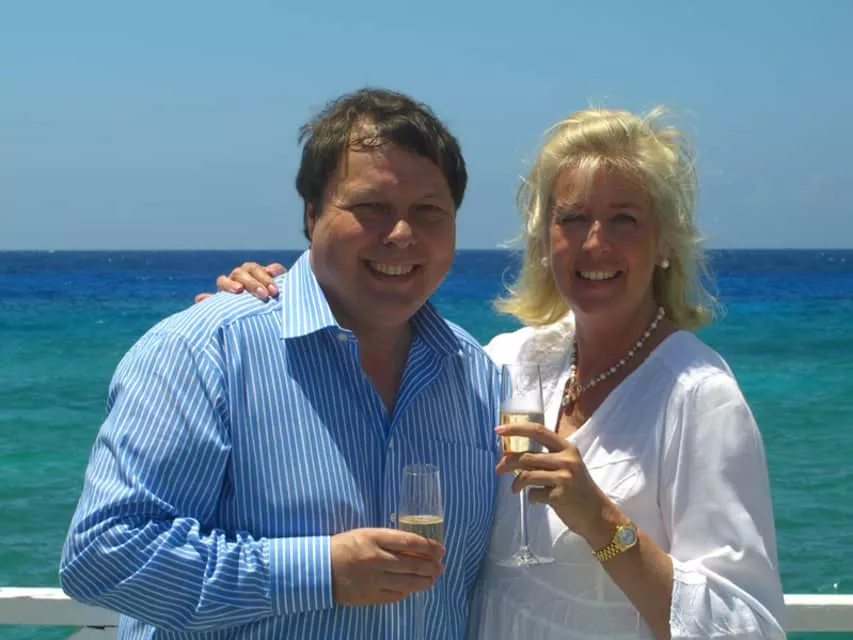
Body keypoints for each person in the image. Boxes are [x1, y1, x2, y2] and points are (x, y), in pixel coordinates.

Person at [208, 107, 786, 638]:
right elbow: (381, 354)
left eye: (624, 220)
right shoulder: (510, 362)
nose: (595, 243)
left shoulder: (698, 397)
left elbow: (747, 624)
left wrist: (602, 523)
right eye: (573, 218)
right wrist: (274, 301)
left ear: (664, 242)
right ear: (545, 239)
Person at [59, 88, 502, 639]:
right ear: (313, 215)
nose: (401, 234)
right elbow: (102, 557)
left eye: (428, 211)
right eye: (370, 207)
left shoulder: (475, 376)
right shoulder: (205, 351)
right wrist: (320, 572)